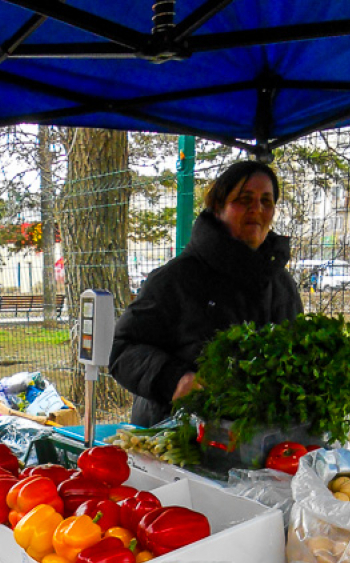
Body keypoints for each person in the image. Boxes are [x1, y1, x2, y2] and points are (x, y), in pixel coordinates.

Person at [109, 160, 303, 426]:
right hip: (175, 439)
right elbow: (122, 349)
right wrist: (175, 379)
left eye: (266, 202)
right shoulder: (175, 279)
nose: (257, 209)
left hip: (256, 441)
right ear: (218, 206)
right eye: (244, 199)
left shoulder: (282, 285)